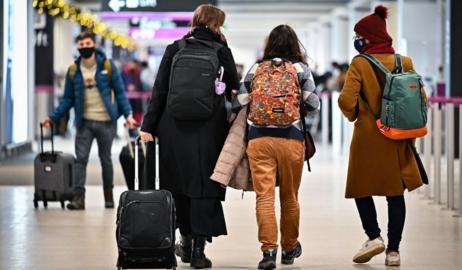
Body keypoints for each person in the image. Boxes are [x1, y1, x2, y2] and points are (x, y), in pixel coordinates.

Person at [139, 4, 239, 269]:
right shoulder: (221, 51)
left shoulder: (175, 48)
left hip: (173, 128)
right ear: (217, 25)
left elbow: (159, 90)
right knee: (204, 187)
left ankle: (178, 242)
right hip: (208, 130)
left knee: (176, 185)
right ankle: (197, 252)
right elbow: (234, 90)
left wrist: (147, 126)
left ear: (195, 22)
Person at [338, 6, 424, 266]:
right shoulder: (404, 62)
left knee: (360, 187)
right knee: (394, 193)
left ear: (368, 37)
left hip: (368, 136)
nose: (357, 40)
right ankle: (394, 251)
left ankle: (373, 237)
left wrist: (355, 115)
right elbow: (420, 98)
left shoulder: (360, 64)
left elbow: (346, 100)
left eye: (359, 35)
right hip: (398, 137)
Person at [232, 25, 320, 270]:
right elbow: (313, 105)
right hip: (291, 139)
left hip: (259, 140)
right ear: (295, 44)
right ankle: (290, 248)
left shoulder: (257, 68)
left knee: (264, 197)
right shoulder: (300, 69)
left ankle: (268, 251)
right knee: (290, 197)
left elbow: (238, 102)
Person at [42, 31, 136, 210]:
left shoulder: (107, 66)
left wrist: (128, 115)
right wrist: (53, 118)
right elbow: (67, 99)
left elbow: (121, 93)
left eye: (87, 44)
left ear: (94, 45)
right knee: (81, 160)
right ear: (78, 47)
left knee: (106, 160)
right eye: (81, 45)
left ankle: (109, 197)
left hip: (106, 122)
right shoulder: (73, 70)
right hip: (84, 122)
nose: (85, 47)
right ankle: (78, 198)